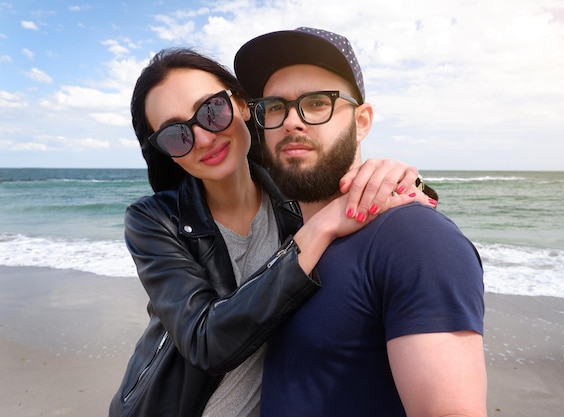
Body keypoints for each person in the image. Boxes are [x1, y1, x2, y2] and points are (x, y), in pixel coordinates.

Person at [108, 47, 431, 417]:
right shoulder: (154, 220)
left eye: (212, 110)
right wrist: (317, 231)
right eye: (175, 134)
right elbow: (205, 341)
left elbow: (353, 177)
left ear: (243, 105)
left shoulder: (299, 193)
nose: (202, 138)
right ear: (165, 151)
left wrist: (396, 178)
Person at [234, 27, 487, 416]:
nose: (290, 122)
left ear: (362, 121)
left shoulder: (416, 240)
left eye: (317, 102)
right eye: (274, 107)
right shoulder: (290, 238)